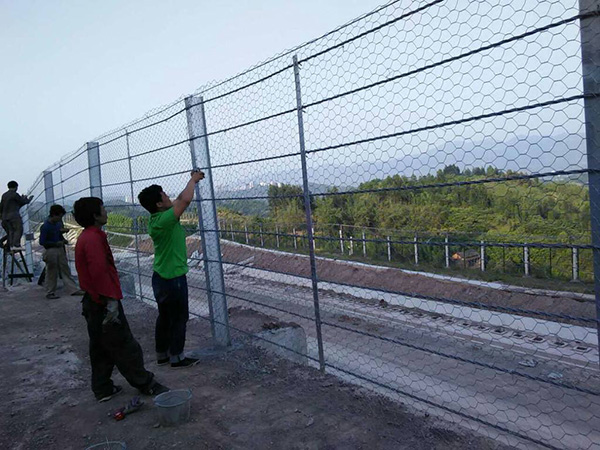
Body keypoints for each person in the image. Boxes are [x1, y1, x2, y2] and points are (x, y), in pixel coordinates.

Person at [73, 196, 168, 402]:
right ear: (95, 215)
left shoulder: (86, 237)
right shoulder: (94, 239)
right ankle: (145, 383)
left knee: (100, 347)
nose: (106, 212)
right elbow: (99, 271)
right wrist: (110, 301)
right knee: (124, 345)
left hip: (93, 301)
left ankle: (102, 388)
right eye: (103, 209)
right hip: (103, 302)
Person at [137, 169, 204, 368]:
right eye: (165, 195)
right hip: (173, 277)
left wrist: (190, 182)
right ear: (159, 204)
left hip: (161, 276)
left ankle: (162, 355)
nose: (169, 197)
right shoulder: (166, 220)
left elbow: (179, 200)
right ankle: (177, 357)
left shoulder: (157, 219)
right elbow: (184, 201)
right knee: (179, 317)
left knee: (165, 317)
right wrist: (193, 180)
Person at [39, 204, 83, 299]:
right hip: (50, 250)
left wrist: (63, 240)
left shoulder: (57, 224)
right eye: (59, 216)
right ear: (54, 215)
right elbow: (42, 242)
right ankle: (50, 292)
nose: (60, 219)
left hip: (60, 249)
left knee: (65, 269)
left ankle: (73, 289)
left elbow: (59, 235)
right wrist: (55, 243)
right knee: (51, 271)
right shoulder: (45, 227)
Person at [0, 181, 33, 251]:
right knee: (18, 229)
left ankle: (7, 245)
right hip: (13, 217)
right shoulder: (15, 194)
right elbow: (23, 201)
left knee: (11, 232)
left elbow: (2, 206)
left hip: (4, 218)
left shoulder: (4, 195)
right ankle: (16, 245)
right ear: (16, 187)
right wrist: (28, 199)